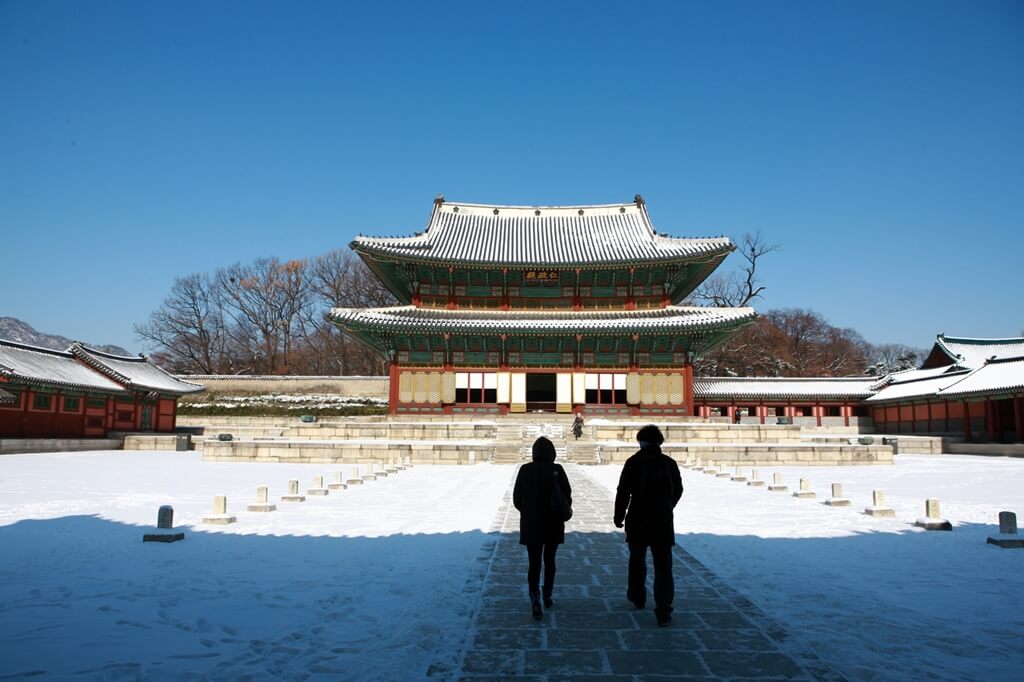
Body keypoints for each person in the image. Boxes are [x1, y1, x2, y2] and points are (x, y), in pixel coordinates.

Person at [613, 424, 683, 626]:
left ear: (641, 442)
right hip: (662, 519)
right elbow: (678, 489)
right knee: (663, 565)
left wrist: (619, 514)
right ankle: (663, 607)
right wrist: (668, 506)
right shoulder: (668, 463)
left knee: (637, 559)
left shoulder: (633, 462)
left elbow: (623, 490)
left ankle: (637, 595)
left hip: (638, 517)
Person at [513, 436, 573, 620]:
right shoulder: (557, 469)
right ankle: (547, 594)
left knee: (534, 562)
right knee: (550, 560)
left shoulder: (525, 470)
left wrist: (529, 511)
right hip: (553, 523)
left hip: (532, 523)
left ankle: (534, 598)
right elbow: (567, 497)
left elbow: (517, 499)